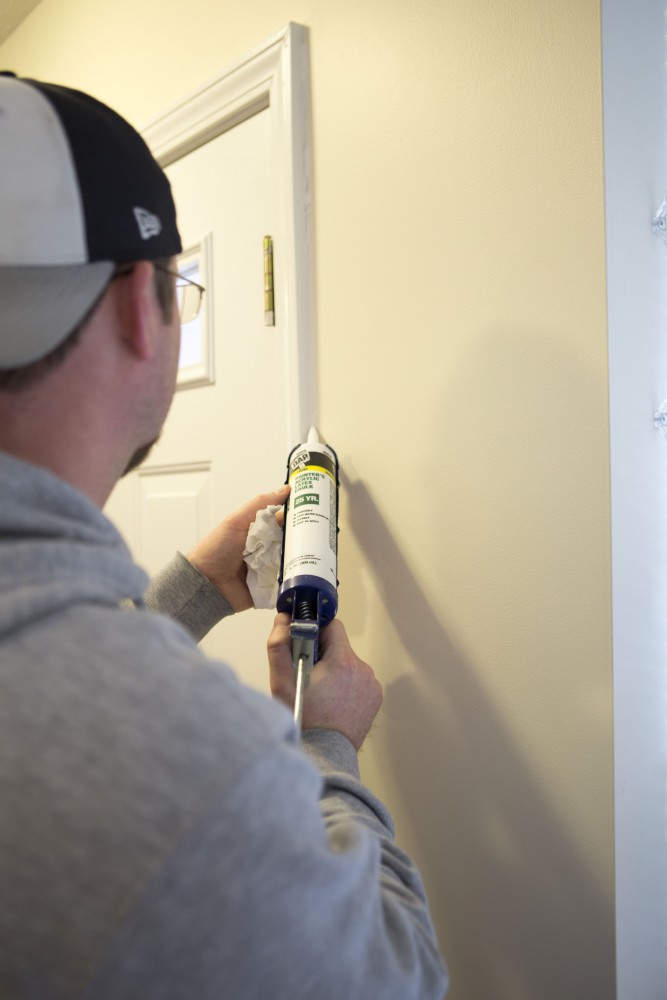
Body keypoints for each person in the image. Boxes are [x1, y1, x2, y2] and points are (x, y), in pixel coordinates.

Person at [0, 72, 448, 999]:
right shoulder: (196, 768)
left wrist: (190, 594)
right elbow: (392, 978)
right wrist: (326, 749)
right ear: (138, 306)